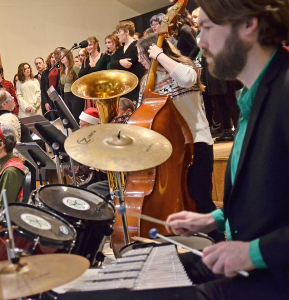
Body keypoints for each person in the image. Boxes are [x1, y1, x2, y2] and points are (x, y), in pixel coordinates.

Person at [165, 1, 289, 299]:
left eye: (207, 27)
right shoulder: (253, 97)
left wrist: (253, 253)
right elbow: (274, 192)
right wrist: (216, 218)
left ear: (248, 25)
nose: (199, 41)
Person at [137, 34, 216, 218]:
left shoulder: (187, 67)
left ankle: (215, 241)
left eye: (142, 54)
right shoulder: (147, 82)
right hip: (169, 150)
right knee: (179, 201)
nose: (140, 60)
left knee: (200, 199)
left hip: (196, 144)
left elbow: (187, 80)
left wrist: (160, 56)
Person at [110, 21, 145, 102]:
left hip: (136, 84)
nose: (117, 35)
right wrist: (120, 62)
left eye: (119, 32)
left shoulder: (137, 45)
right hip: (124, 85)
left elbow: (129, 63)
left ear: (127, 32)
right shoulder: (120, 50)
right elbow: (111, 64)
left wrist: (117, 62)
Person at [59, 49, 84, 122]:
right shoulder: (62, 70)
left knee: (76, 117)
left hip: (75, 95)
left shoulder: (75, 67)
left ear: (68, 56)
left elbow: (81, 80)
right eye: (61, 56)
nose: (62, 58)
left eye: (64, 56)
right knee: (70, 119)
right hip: (66, 95)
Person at [40, 52, 59, 121]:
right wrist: (46, 102)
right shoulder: (45, 73)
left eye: (55, 58)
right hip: (49, 100)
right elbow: (43, 89)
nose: (54, 59)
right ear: (49, 59)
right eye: (52, 57)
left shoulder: (60, 71)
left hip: (58, 99)